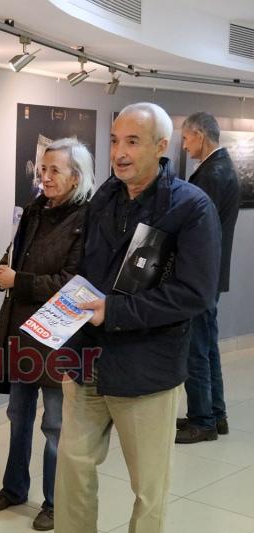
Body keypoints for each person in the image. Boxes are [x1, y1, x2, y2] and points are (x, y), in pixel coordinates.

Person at [54, 103, 221, 533]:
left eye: (132, 142)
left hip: (147, 371)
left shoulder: (191, 208)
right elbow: (87, 272)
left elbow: (195, 293)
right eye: (113, 141)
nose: (119, 152)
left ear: (161, 147)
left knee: (148, 489)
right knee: (72, 471)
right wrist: (61, 315)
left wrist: (115, 311)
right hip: (87, 363)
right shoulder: (103, 198)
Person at [0, 138, 94, 532]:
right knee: (18, 416)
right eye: (42, 170)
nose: (44, 178)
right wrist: (2, 274)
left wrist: (20, 281)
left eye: (54, 171)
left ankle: (54, 502)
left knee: (55, 427)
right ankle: (14, 488)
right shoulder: (33, 210)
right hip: (18, 334)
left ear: (75, 177)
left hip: (56, 340)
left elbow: (74, 283)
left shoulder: (86, 220)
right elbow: (14, 256)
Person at [176, 111, 240, 443]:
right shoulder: (221, 168)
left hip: (200, 276)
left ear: (200, 135)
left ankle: (203, 420)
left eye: (186, 139)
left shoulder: (212, 174)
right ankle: (216, 414)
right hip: (211, 275)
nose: (184, 147)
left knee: (196, 349)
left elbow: (196, 229)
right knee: (208, 347)